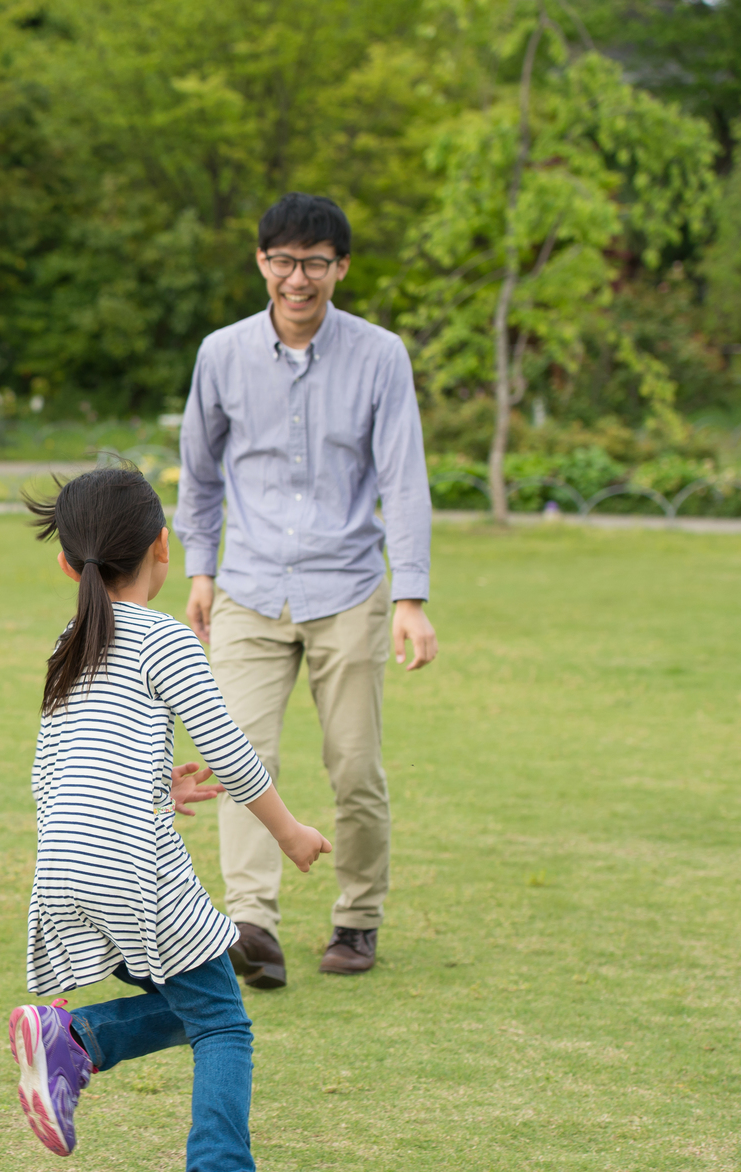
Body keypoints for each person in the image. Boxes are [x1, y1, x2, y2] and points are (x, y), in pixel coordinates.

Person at [7, 467, 331, 1172]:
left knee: (198, 1002)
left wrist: (155, 789)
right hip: (133, 867)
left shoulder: (69, 644)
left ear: (67, 564)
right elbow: (229, 747)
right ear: (163, 545)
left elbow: (56, 768)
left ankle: (79, 1042)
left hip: (65, 860)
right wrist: (287, 832)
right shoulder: (163, 636)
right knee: (224, 1021)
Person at [175, 192, 438, 987]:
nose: (299, 278)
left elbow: (404, 476)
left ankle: (357, 919)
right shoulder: (221, 353)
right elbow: (199, 470)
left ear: (340, 269)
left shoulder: (380, 354)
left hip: (347, 588)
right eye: (284, 261)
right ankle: (250, 924)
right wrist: (199, 569)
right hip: (248, 589)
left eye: (315, 263)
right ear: (261, 263)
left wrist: (411, 597)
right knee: (237, 757)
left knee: (354, 766)